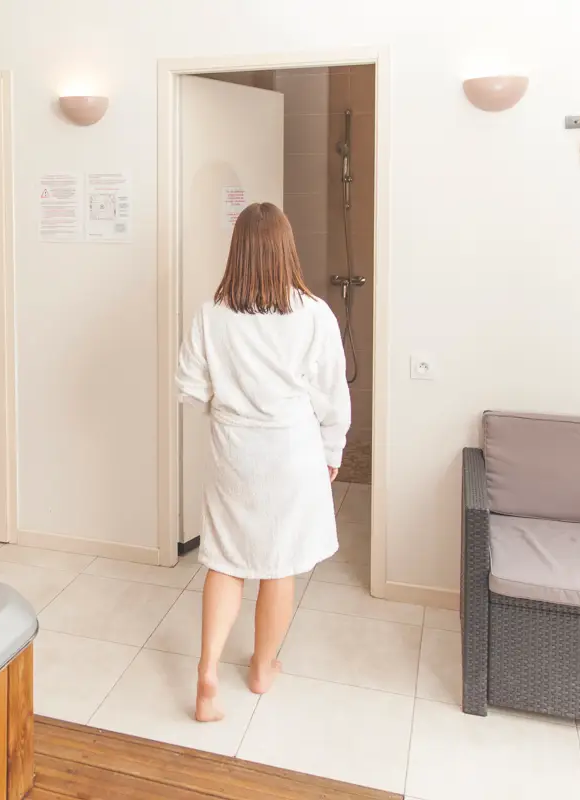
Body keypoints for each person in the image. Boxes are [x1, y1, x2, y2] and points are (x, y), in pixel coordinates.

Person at [177, 202, 350, 723]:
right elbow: (332, 394)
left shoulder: (211, 313)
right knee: (279, 564)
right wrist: (333, 449)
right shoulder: (314, 314)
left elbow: (189, 389)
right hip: (291, 453)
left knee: (226, 560)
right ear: (285, 250)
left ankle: (207, 673)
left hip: (234, 453)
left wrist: (229, 406)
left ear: (238, 251)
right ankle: (261, 668)